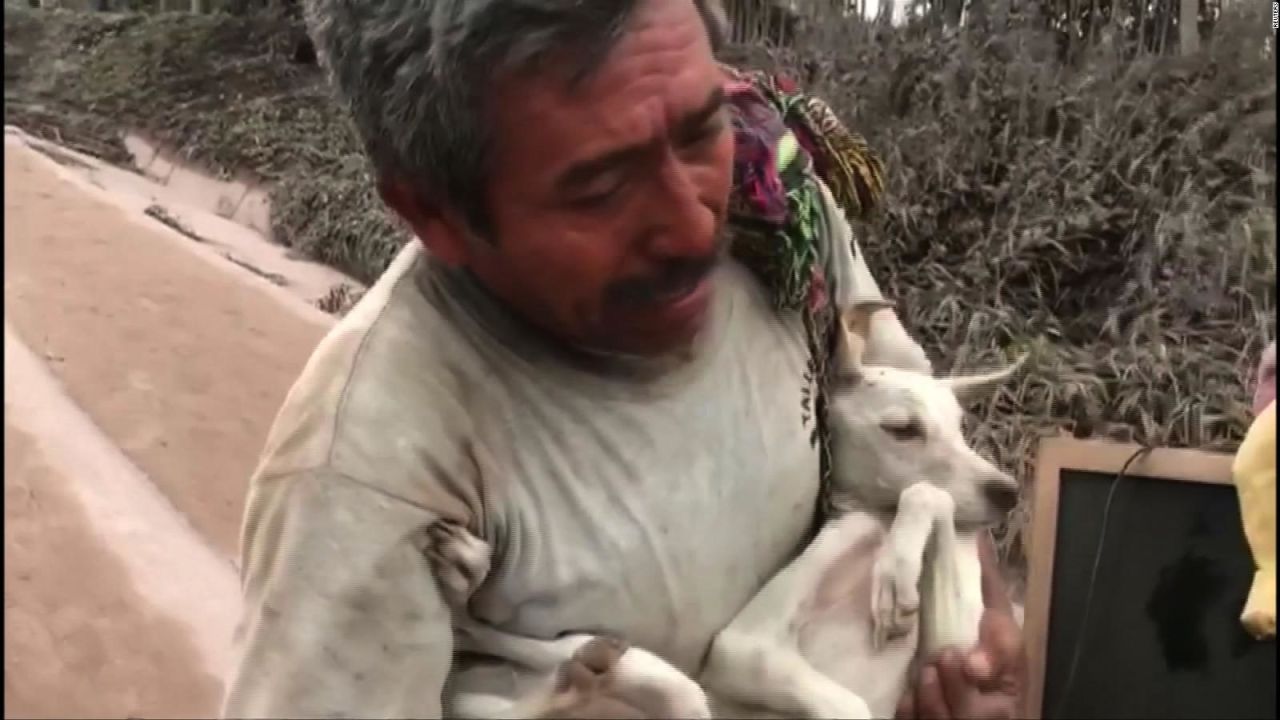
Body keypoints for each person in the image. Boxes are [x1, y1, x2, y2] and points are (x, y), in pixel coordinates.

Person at [220, 1, 1026, 717]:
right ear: (435, 212)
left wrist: (977, 634)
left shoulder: (779, 208)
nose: (691, 229)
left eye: (697, 129)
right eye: (600, 188)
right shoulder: (375, 469)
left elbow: (921, 423)